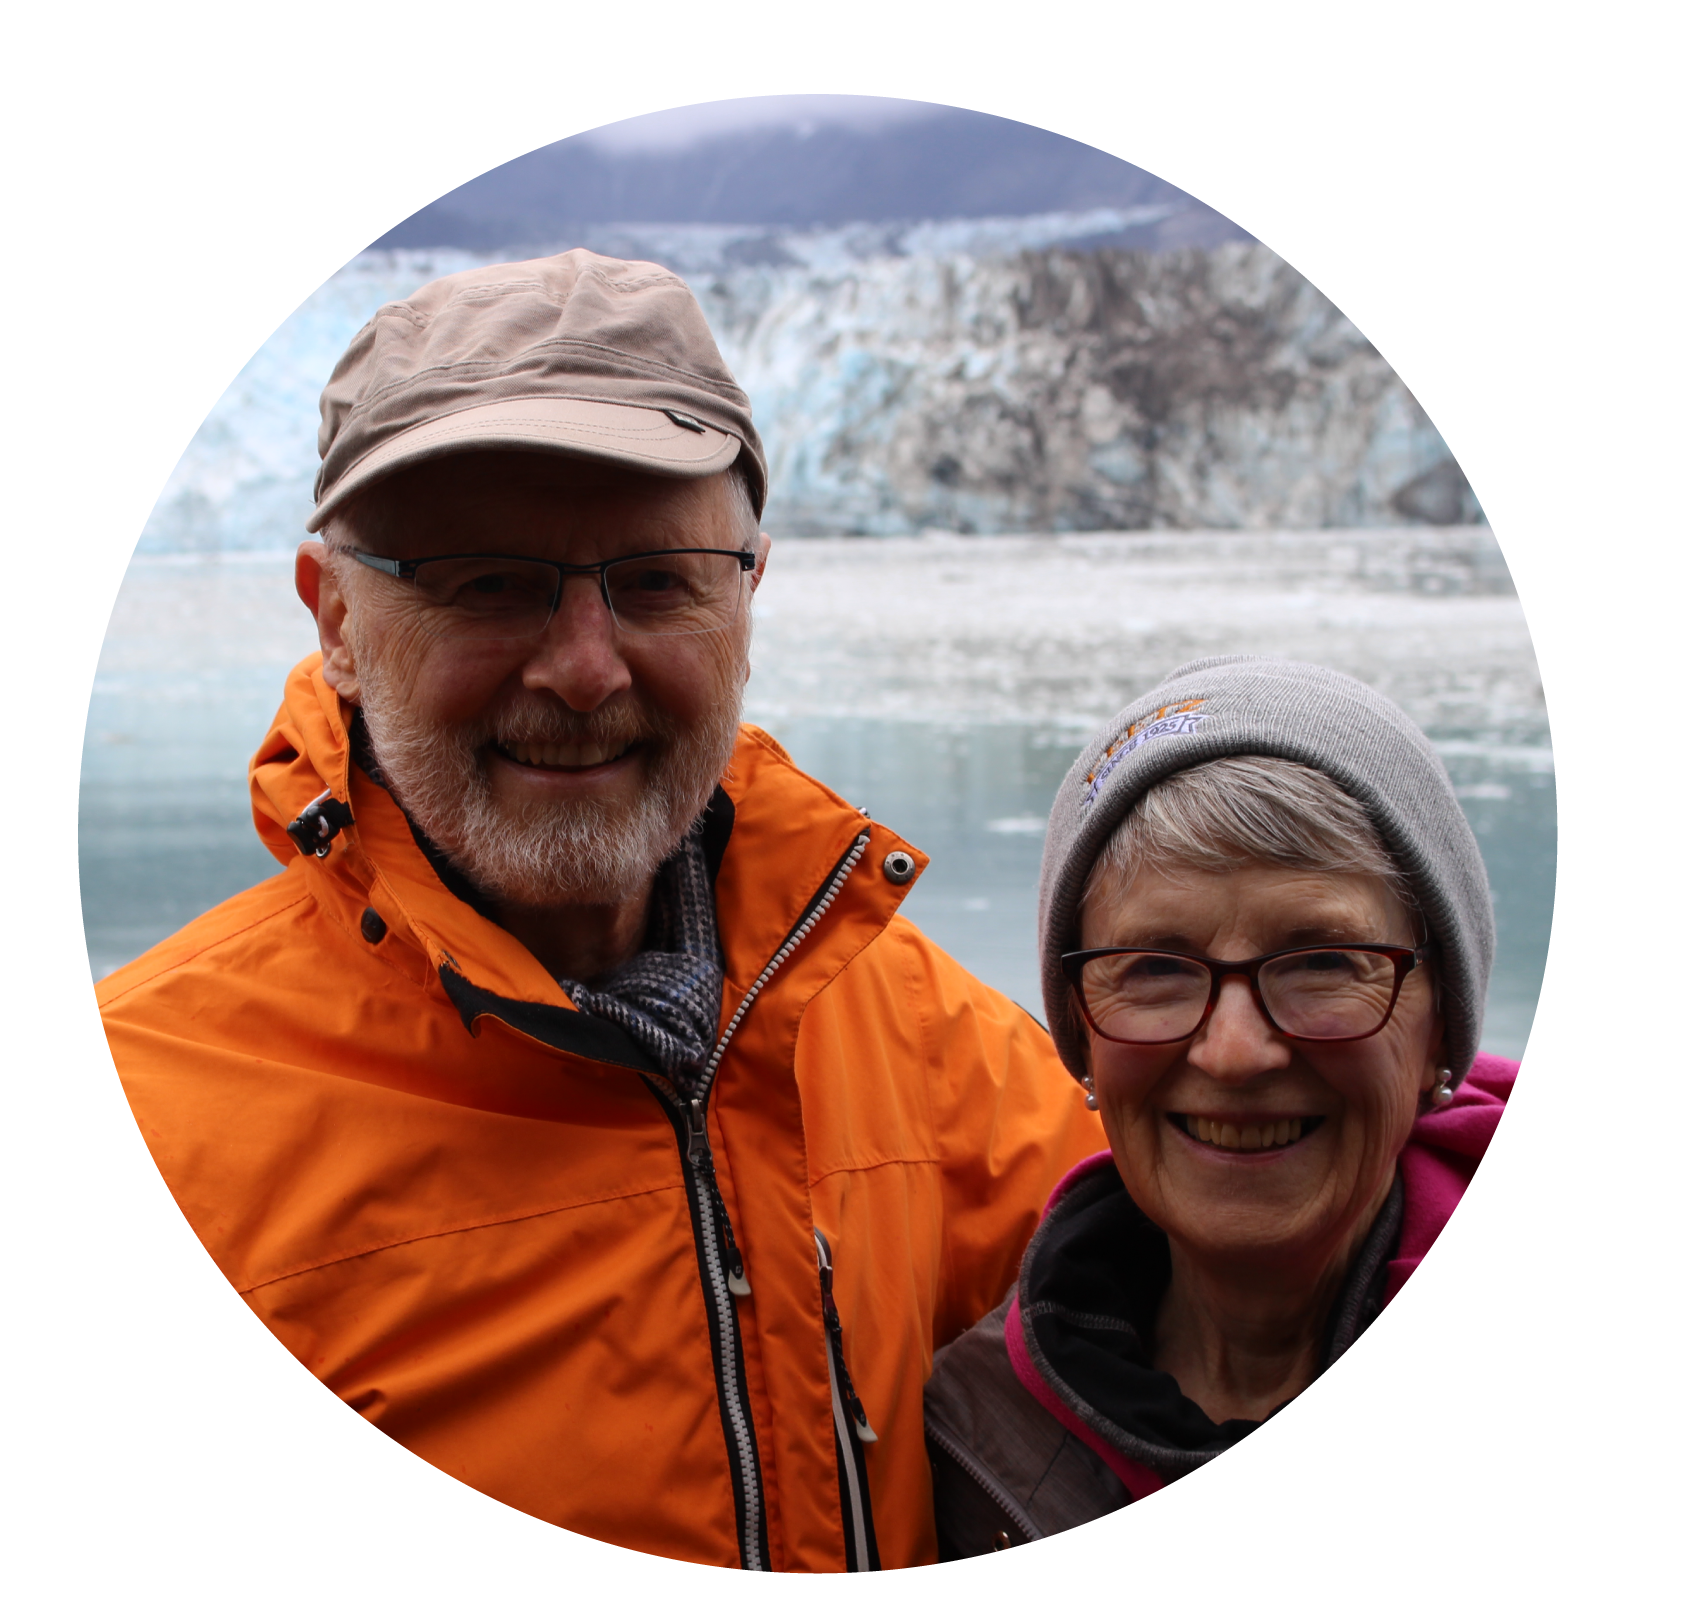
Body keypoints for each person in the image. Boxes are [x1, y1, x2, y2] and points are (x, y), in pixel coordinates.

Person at [95, 249, 1103, 1571]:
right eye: (487, 580)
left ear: (748, 589)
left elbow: (1204, 1291)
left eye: (656, 579)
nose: (583, 666)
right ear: (335, 612)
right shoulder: (165, 1101)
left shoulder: (920, 1034)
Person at [924, 656, 1517, 1555]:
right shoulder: (980, 1427)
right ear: (1083, 1040)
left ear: (1442, 1026)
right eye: (1155, 968)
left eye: (1323, 959)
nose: (1235, 1053)